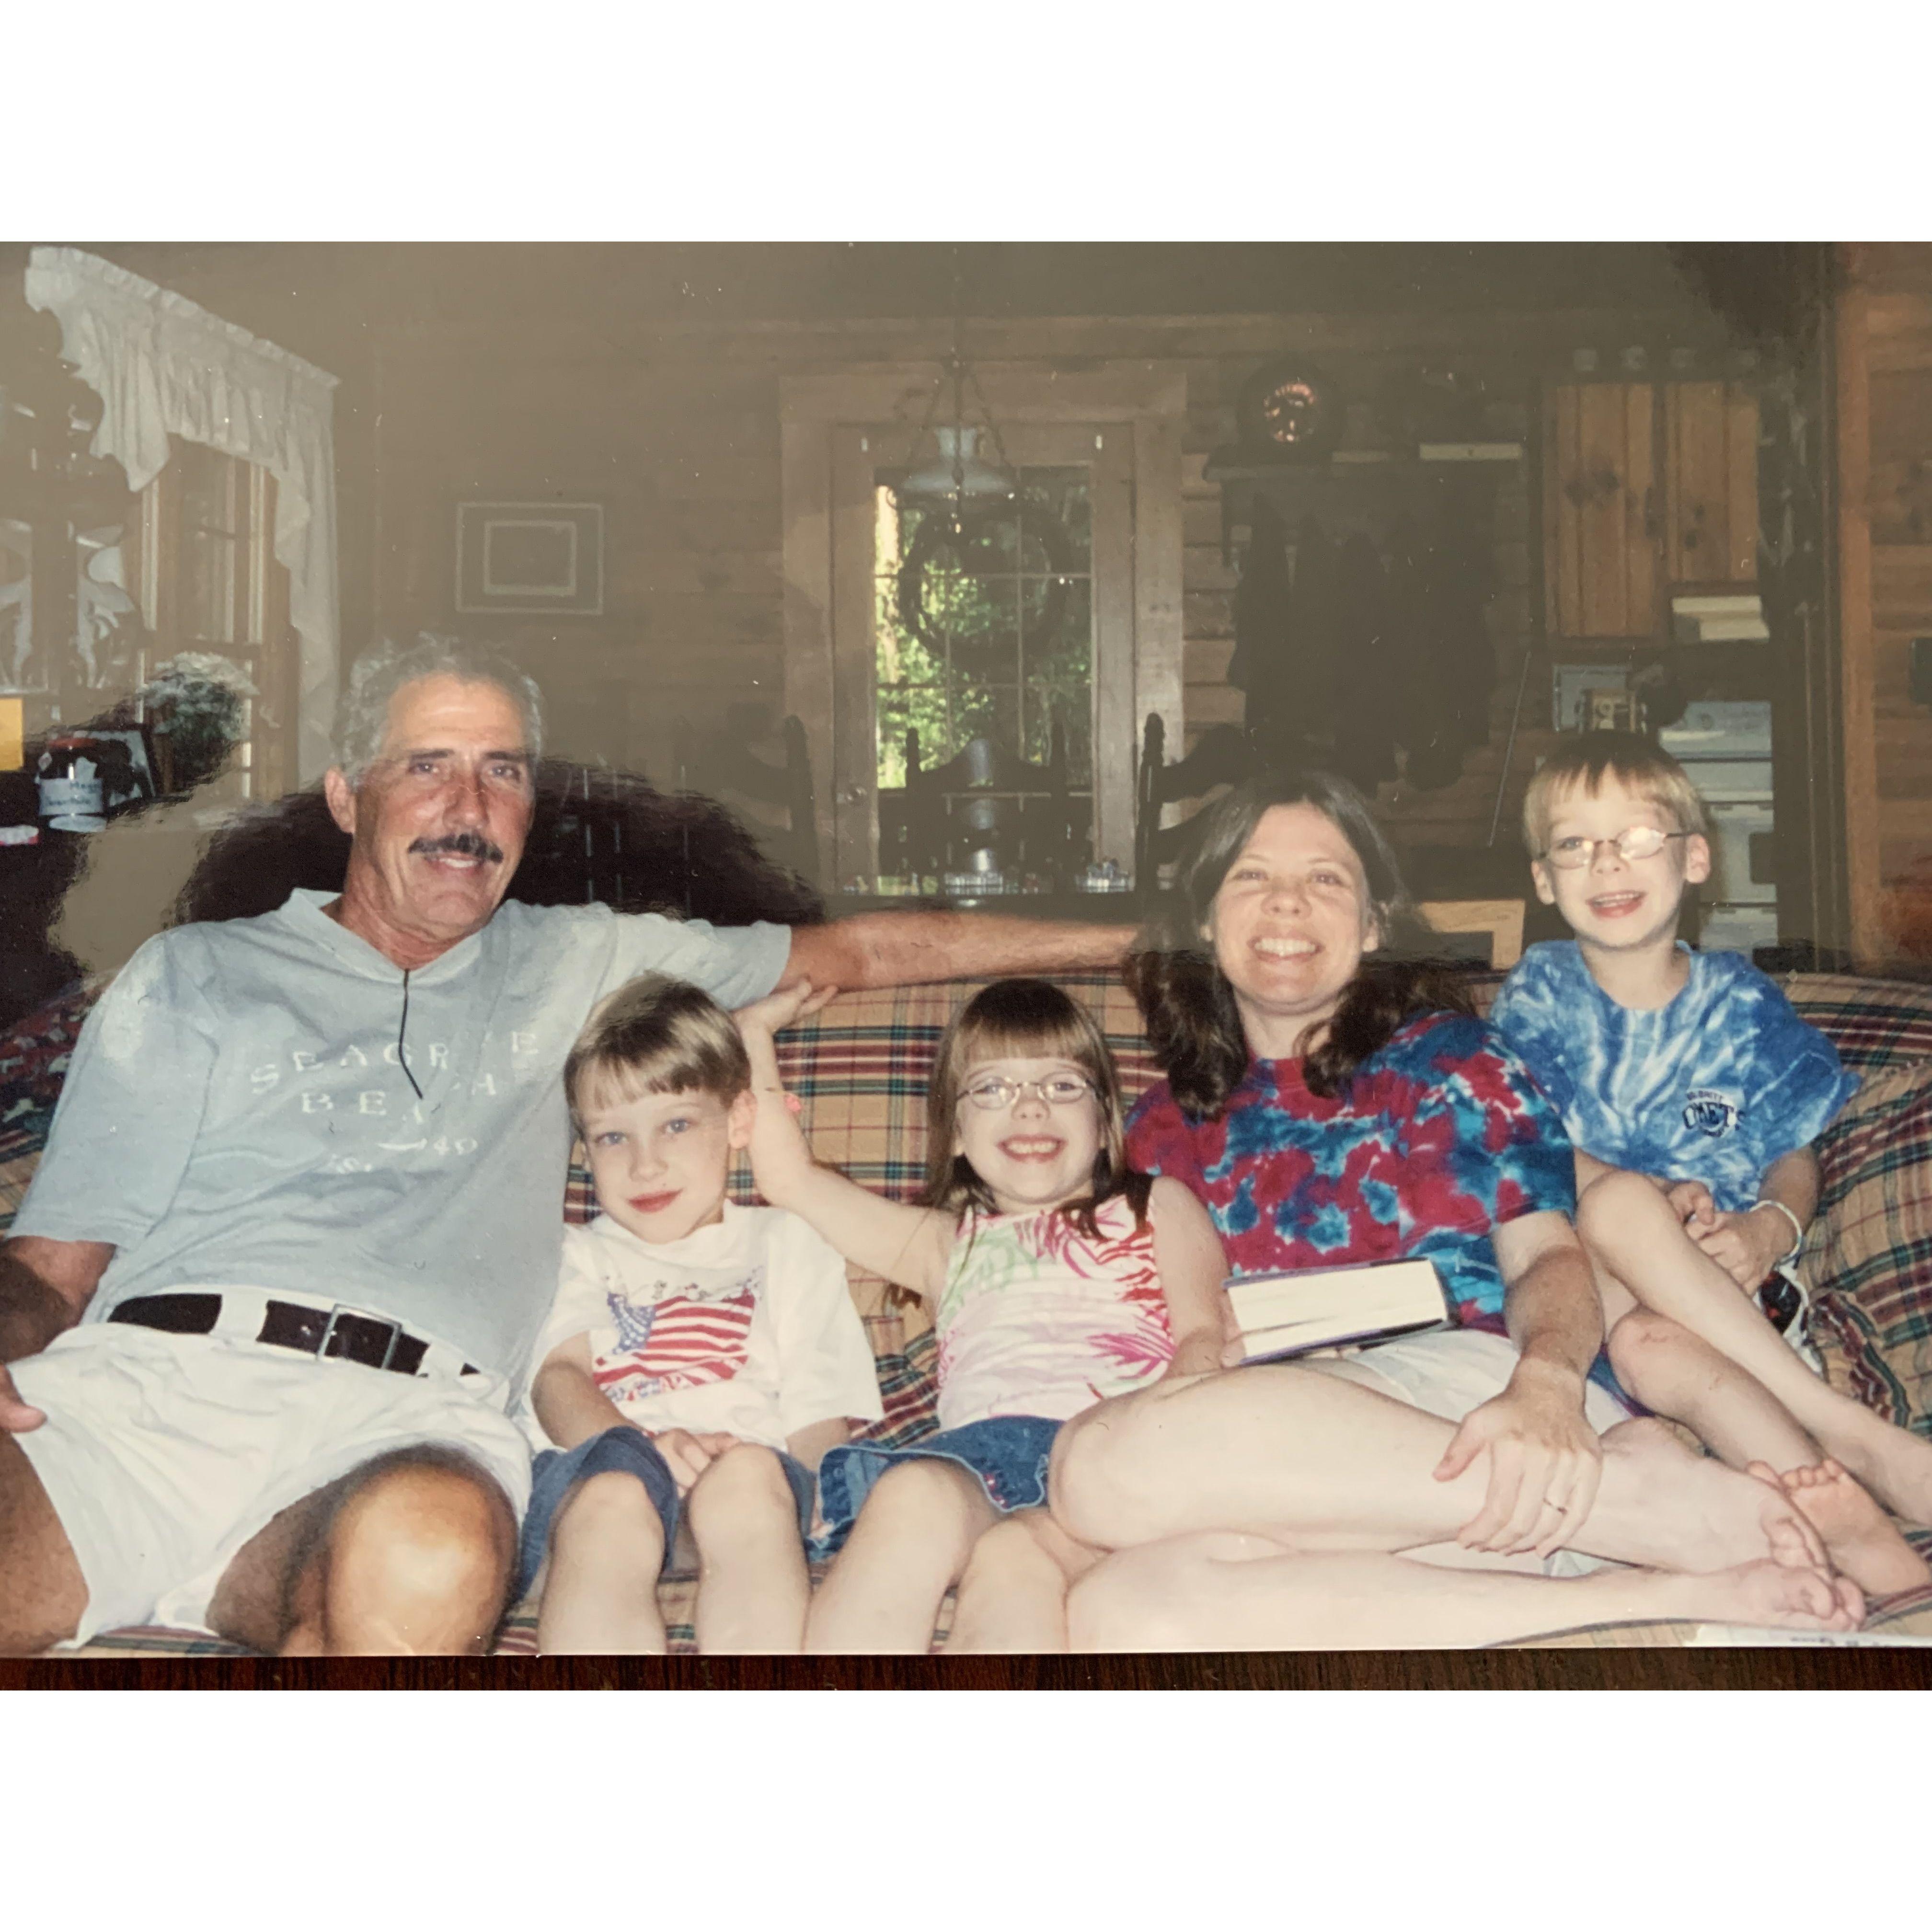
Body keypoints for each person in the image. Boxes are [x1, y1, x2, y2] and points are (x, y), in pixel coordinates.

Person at [0, 633, 1135, 1657]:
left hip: (406, 1424)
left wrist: (1166, 938)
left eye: (504, 771)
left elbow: (859, 957)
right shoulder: (198, 973)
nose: (470, 804)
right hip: (153, 1394)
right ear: (347, 796)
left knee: (430, 1557)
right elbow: (52, 1268)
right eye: (428, 765)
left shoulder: (576, 961)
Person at [1042, 768, 1864, 1650]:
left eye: (1325, 879)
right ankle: (1650, 1559)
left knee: (1096, 1467)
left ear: (1372, 924)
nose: (1287, 905)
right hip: (1316, 1464)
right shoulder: (1161, 1128)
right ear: (1205, 919)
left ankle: (1628, 1503)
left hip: (1490, 1397)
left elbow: (1548, 1256)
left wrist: (1548, 1385)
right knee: (1121, 1612)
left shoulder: (1450, 1061)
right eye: (1251, 876)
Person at [1490, 731, 1932, 1596]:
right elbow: (1523, 1141)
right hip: (1595, 1297)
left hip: (1735, 1300)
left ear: (1695, 858)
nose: (1607, 863)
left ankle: (1864, 1532)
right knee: (1620, 1224)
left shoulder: (1742, 1003)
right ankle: (1846, 1447)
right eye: (1575, 845)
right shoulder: (1538, 995)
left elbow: (1792, 1150)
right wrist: (1649, 1195)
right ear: (1545, 881)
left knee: (1659, 1337)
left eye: (1638, 837)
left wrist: (1773, 1225)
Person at [734, 976, 1225, 1653]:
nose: (1028, 1109)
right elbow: (789, 1181)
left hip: (1114, 1460)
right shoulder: (942, 1243)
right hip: (981, 1469)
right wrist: (755, 1035)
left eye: (1061, 1086)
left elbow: (1204, 1335)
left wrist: (1162, 1447)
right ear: (958, 1133)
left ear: (1105, 1121)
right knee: (909, 1493)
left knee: (1013, 1568)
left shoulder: (1155, 1206)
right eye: (992, 1089)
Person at [518, 974, 880, 1655]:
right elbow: (558, 1381)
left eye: (677, 1125)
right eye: (611, 1138)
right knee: (614, 1499)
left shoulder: (785, 1241)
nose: (645, 1165)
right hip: (606, 1474)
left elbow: (817, 1398)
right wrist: (643, 1450)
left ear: (739, 1121)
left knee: (746, 1479)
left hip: (751, 1482)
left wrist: (829, 1528)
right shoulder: (573, 1253)